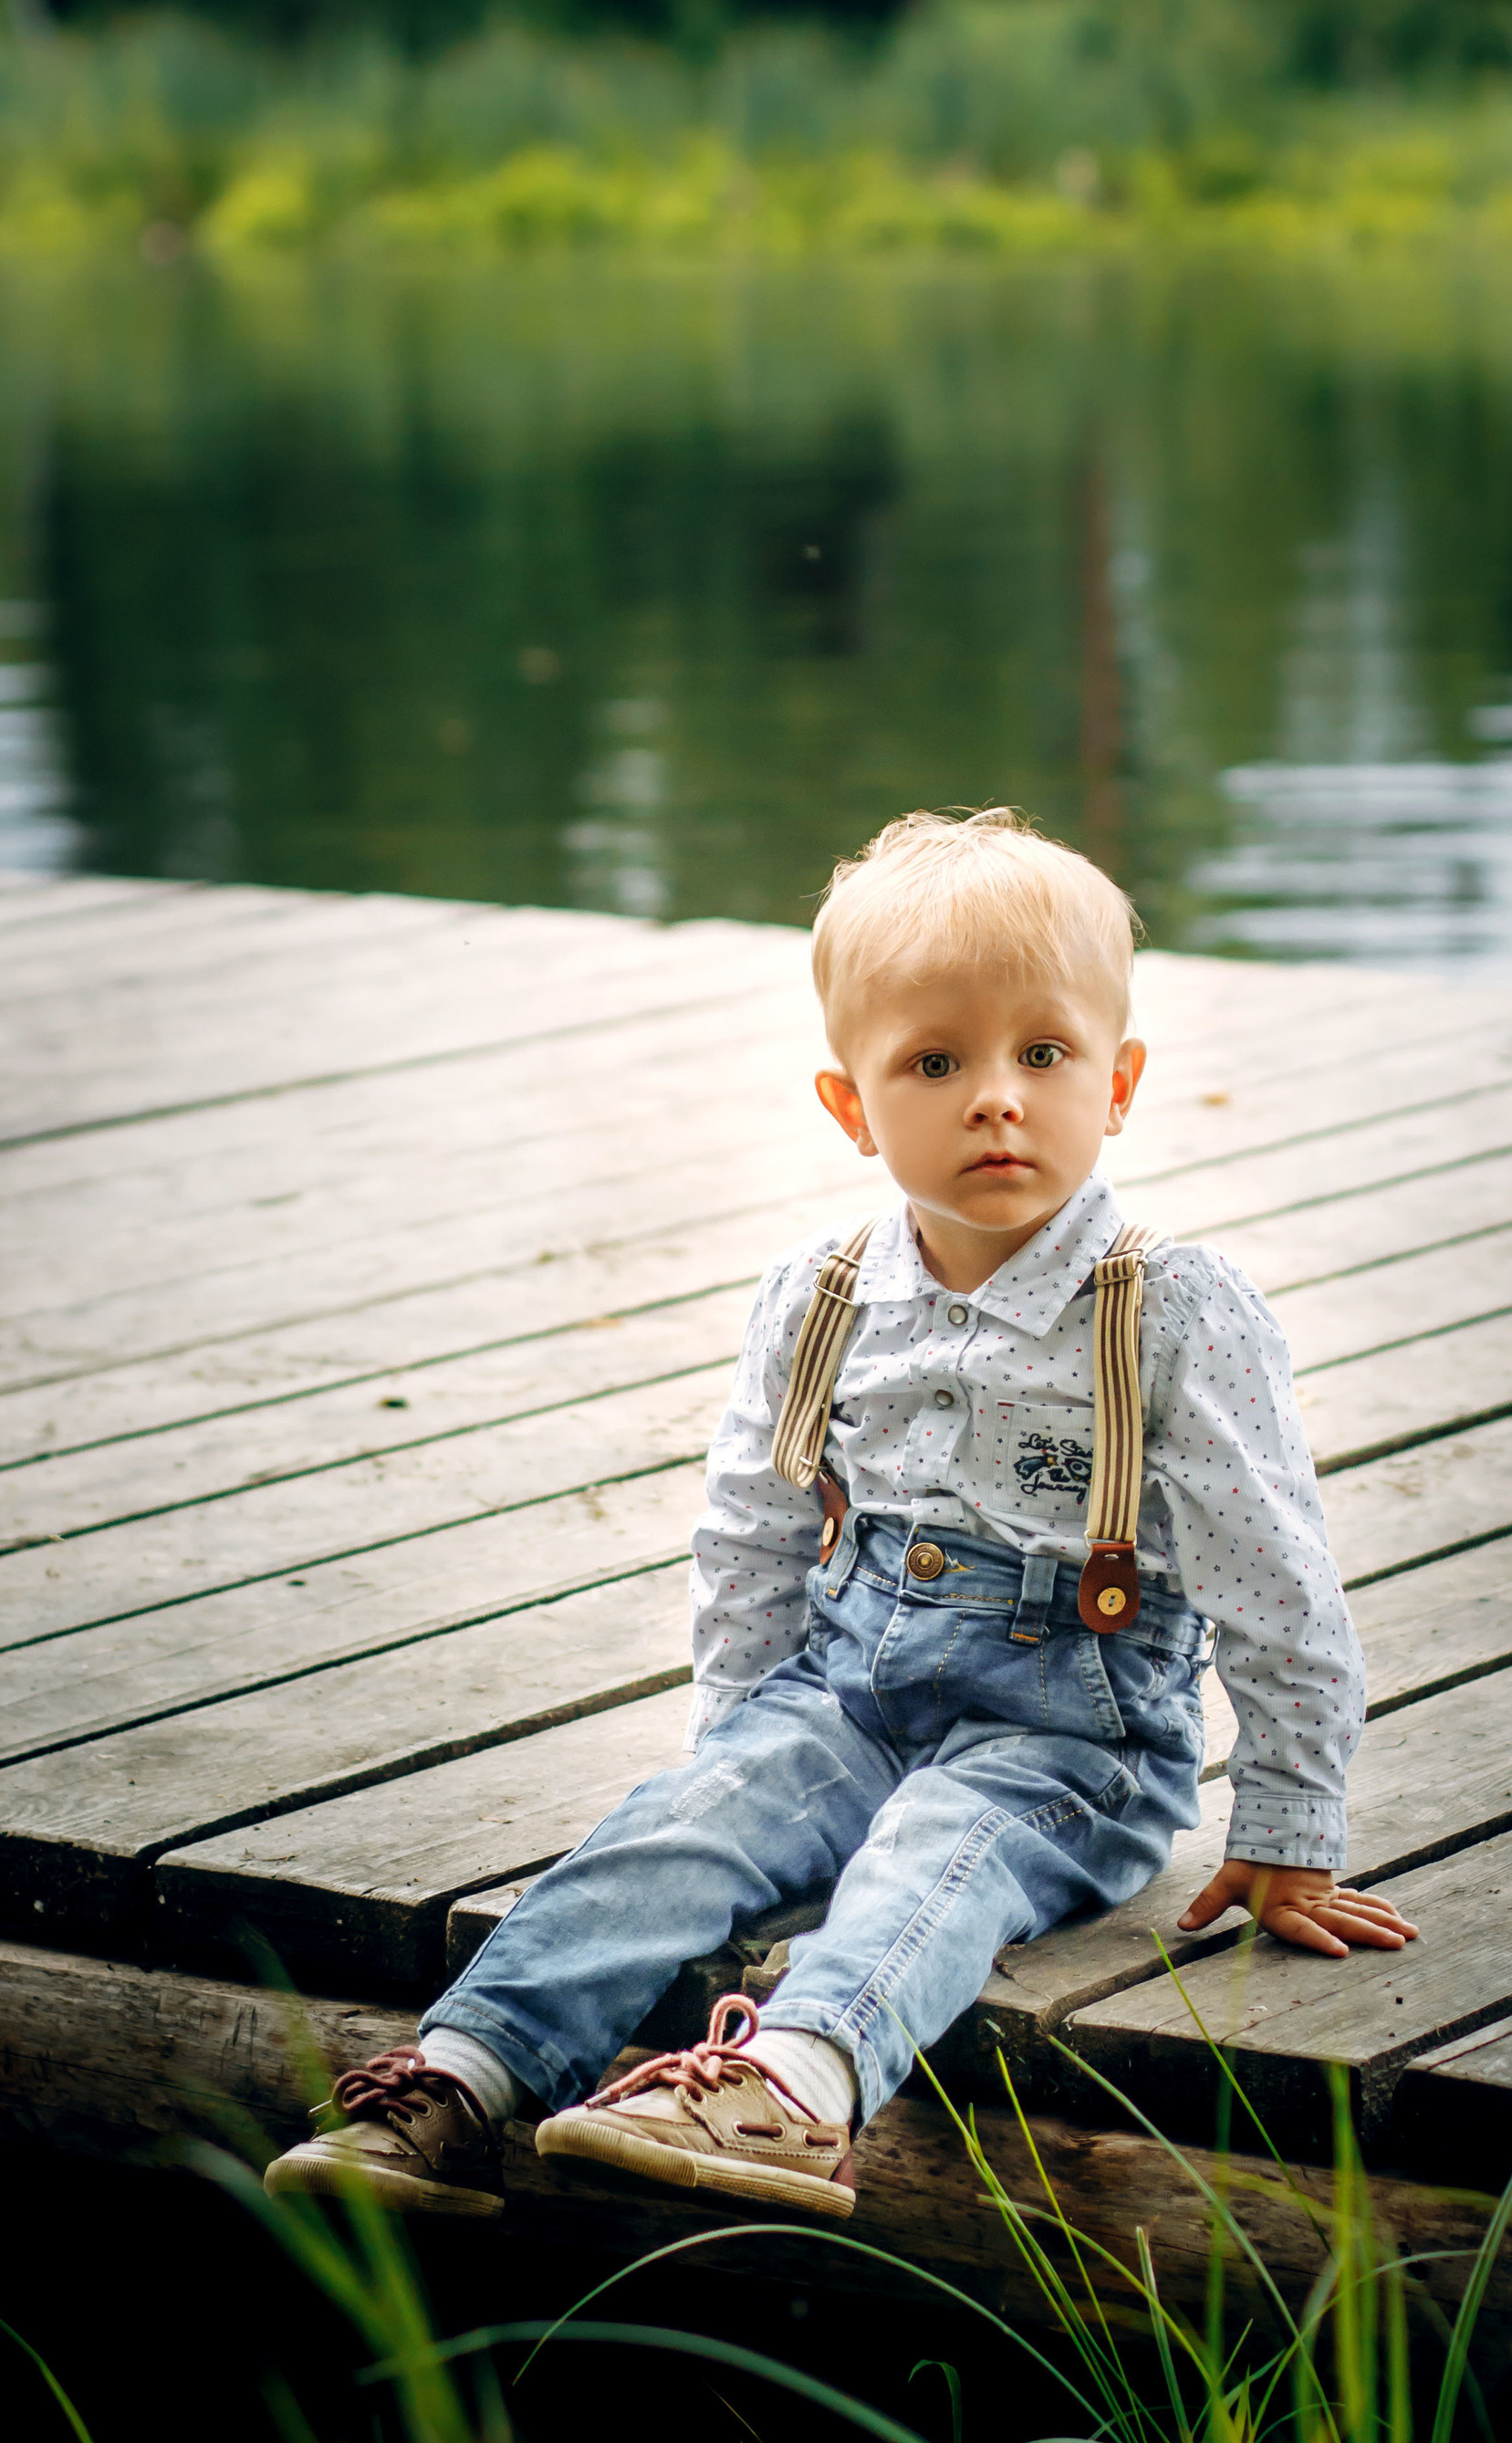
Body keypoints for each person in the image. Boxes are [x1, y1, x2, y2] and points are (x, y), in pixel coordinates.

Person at [265, 807, 1414, 2221]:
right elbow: (751, 1528)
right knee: (674, 1833)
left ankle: (796, 2085)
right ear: (853, 1106)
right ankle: (459, 2082)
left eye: (1040, 1054)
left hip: (1073, 1737)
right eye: (936, 1062)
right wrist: (741, 1751)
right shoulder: (820, 1295)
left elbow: (1275, 1582)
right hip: (847, 1692)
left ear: (1115, 1083)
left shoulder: (1168, 1310)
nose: (996, 1096)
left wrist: (1294, 1819)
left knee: (937, 1857)